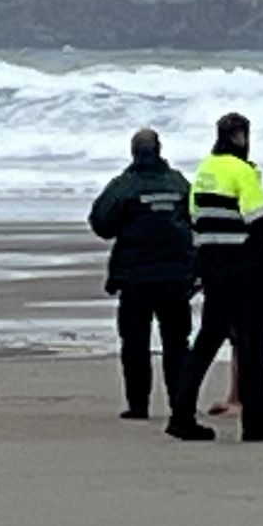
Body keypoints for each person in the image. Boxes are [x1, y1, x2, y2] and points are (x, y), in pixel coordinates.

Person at [166, 112, 263, 443]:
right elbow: (261, 221)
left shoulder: (205, 170)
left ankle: (181, 415)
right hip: (244, 269)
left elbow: (194, 217)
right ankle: (256, 423)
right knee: (252, 346)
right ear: (241, 138)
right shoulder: (242, 171)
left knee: (207, 341)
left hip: (212, 267)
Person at [87, 127, 194, 420]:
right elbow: (195, 219)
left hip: (136, 279)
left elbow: (100, 223)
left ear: (134, 152)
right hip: (175, 277)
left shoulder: (124, 186)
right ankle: (180, 403)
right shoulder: (179, 183)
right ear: (159, 150)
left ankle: (138, 405)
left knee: (135, 342)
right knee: (177, 343)